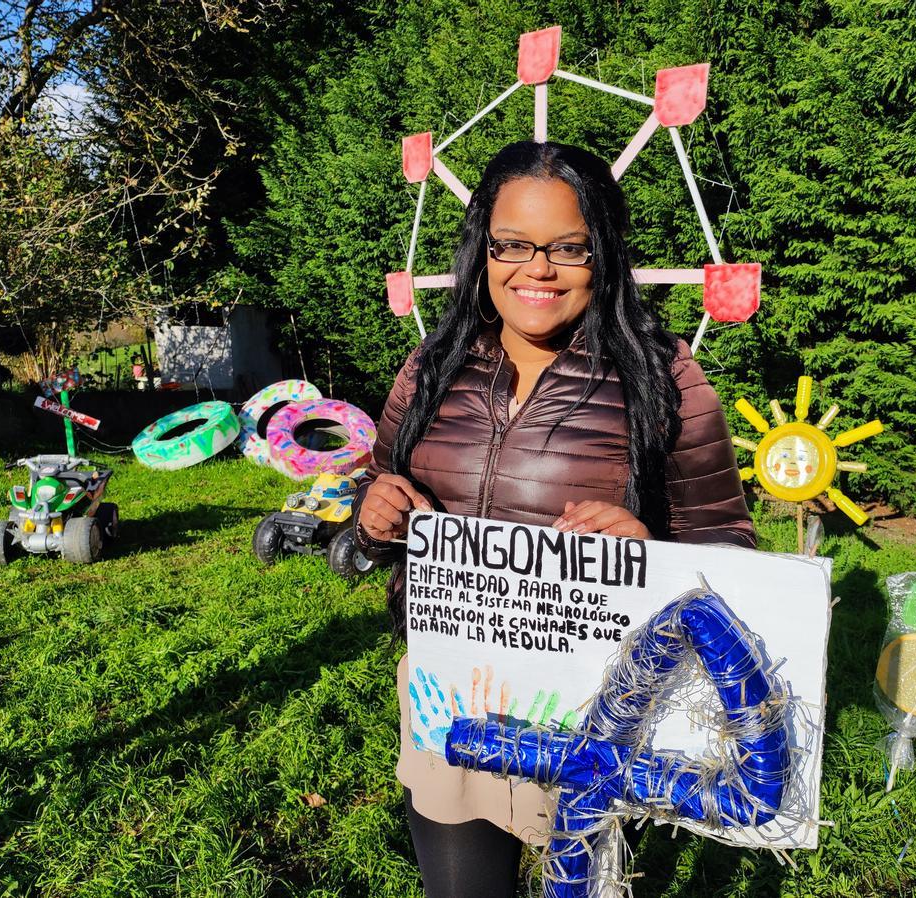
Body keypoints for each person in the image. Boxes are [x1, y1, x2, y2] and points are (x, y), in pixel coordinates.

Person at [353, 141, 755, 898]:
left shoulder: (664, 378)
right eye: (512, 244)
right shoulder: (429, 368)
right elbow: (373, 508)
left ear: (603, 252)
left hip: (597, 713)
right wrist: (376, 518)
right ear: (483, 247)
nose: (536, 270)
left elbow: (729, 548)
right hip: (453, 699)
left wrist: (649, 552)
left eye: (568, 248)